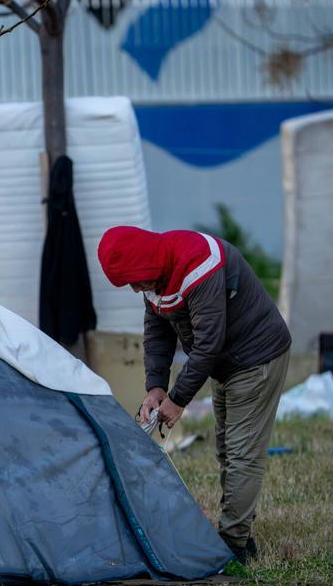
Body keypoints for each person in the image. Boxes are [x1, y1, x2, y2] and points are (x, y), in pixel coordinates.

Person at [97, 226, 291, 564]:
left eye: (133, 281)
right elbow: (156, 332)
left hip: (257, 357)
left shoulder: (199, 264)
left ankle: (233, 548)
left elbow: (208, 343)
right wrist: (156, 386)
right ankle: (240, 534)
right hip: (226, 363)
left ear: (144, 264)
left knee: (242, 453)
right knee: (227, 449)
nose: (133, 288)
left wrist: (178, 399)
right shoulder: (154, 276)